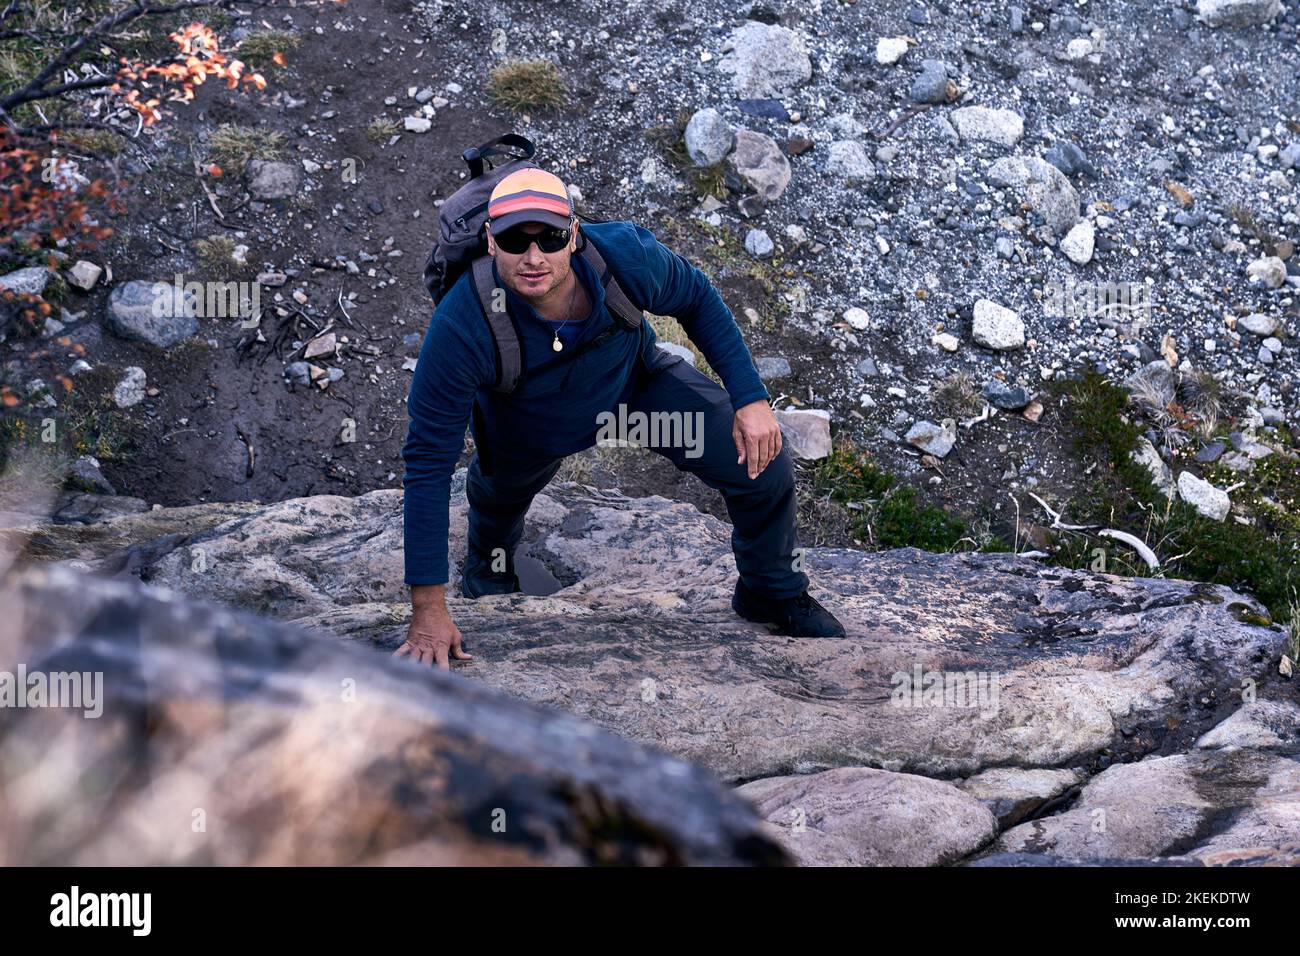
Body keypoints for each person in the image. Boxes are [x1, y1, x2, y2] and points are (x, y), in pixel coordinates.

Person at [396, 167, 845, 669]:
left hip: (633, 392)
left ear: (574, 233)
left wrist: (750, 397)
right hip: (526, 425)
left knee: (760, 463)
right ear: (489, 240)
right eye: (513, 240)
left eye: (550, 237)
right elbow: (429, 463)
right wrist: (428, 611)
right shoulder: (462, 323)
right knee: (498, 501)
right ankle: (489, 568)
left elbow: (696, 296)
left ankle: (770, 590)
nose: (534, 256)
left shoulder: (623, 256)